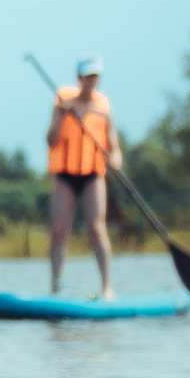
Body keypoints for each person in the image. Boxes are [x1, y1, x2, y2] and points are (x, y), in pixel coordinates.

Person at [45, 55, 122, 300]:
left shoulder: (103, 106)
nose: (91, 81)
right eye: (87, 76)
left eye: (95, 77)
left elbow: (114, 145)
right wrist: (61, 115)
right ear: (79, 78)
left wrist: (116, 160)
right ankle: (55, 284)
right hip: (65, 175)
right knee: (59, 229)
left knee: (96, 228)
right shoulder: (62, 101)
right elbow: (50, 140)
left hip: (92, 176)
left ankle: (107, 286)